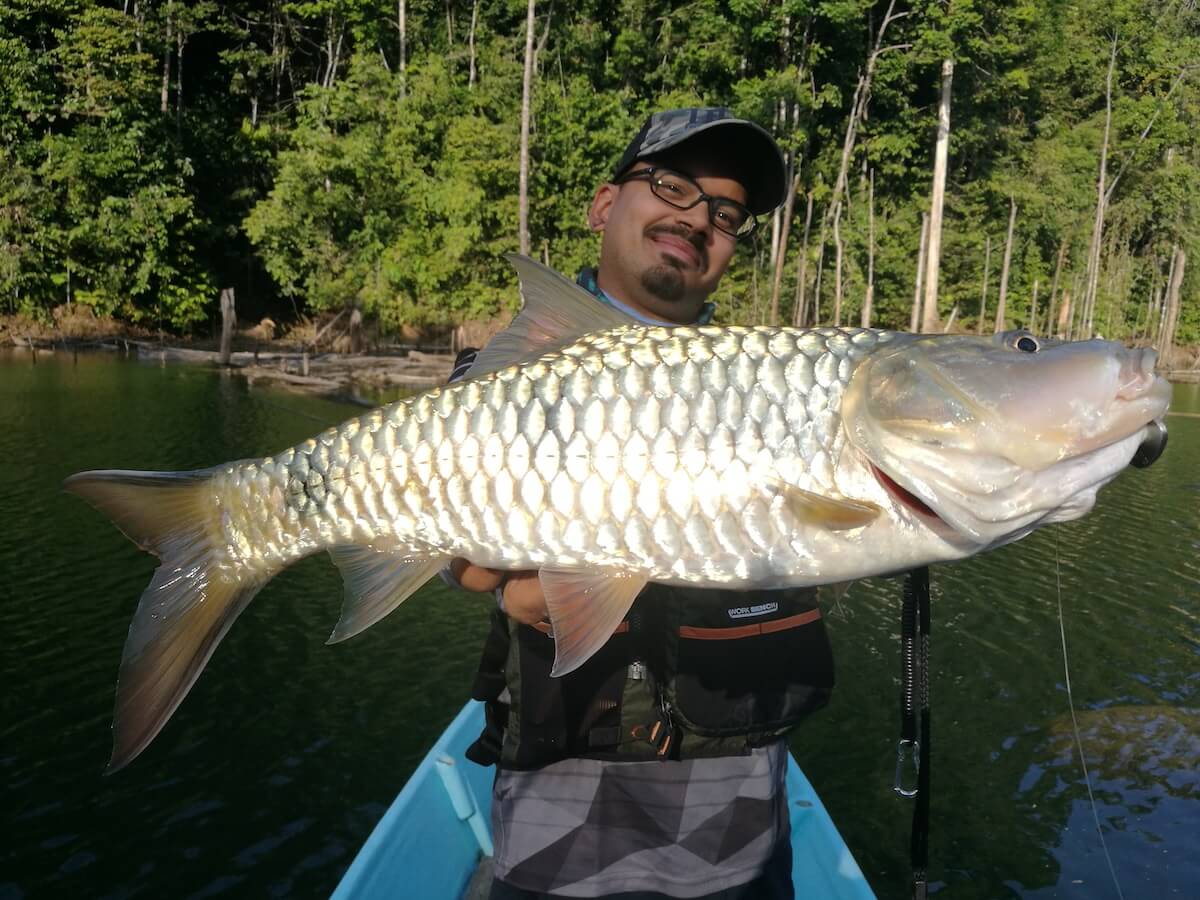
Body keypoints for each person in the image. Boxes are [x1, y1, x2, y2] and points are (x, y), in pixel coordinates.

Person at [447, 108, 836, 900]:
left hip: (740, 834)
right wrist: (508, 578)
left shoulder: (784, 392)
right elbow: (479, 575)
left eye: (725, 214)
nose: (697, 219)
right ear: (602, 204)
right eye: (671, 185)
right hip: (560, 824)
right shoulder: (496, 384)